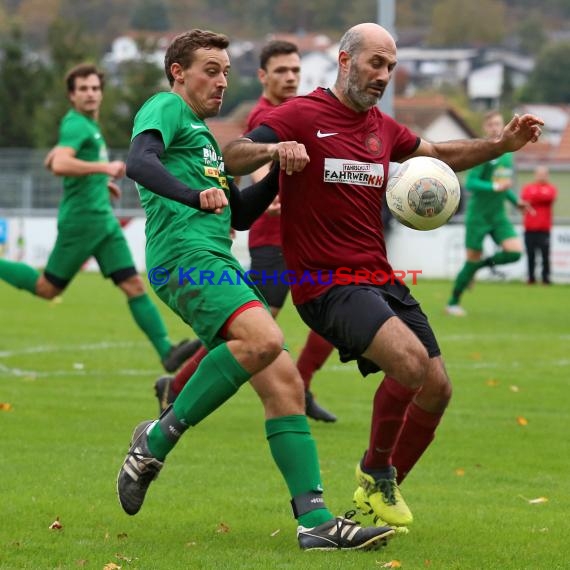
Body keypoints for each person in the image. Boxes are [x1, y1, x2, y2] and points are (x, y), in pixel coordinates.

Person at [222, 22, 543, 528]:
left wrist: (499, 145)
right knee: (411, 365)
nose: (384, 75)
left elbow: (438, 156)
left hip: (376, 276)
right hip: (324, 283)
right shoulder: (302, 114)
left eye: (391, 67)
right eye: (376, 63)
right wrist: (272, 151)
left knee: (437, 387)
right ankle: (375, 472)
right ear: (346, 61)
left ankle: (378, 483)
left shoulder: (381, 127)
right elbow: (232, 152)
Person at [115, 29, 394, 552]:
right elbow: (140, 162)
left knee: (284, 382)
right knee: (265, 339)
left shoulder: (202, 140)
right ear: (178, 72)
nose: (221, 81)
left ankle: (315, 521)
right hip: (185, 259)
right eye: (210, 70)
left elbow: (241, 213)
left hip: (218, 259)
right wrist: (193, 196)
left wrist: (280, 173)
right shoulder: (165, 106)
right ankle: (153, 441)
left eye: (225, 72)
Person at [153, 40, 337, 422]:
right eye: (281, 71)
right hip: (271, 238)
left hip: (299, 236)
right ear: (263, 76)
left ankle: (300, 385)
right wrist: (266, 183)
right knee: (253, 327)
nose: (290, 77)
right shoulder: (265, 117)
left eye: (295, 71)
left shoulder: (288, 115)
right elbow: (252, 161)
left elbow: (242, 194)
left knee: (332, 301)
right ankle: (178, 389)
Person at [0, 63, 199, 373]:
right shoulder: (77, 125)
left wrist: (98, 183)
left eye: (95, 88)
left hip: (102, 220)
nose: (91, 94)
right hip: (83, 222)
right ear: (71, 96)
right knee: (47, 288)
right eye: (83, 89)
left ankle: (167, 351)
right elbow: (63, 162)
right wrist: (104, 170)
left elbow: (54, 159)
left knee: (133, 285)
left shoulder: (88, 126)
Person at [445, 110, 530, 317]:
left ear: (503, 126)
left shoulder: (507, 155)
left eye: (497, 124)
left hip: (498, 215)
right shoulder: (483, 153)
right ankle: (453, 303)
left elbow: (503, 185)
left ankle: (478, 267)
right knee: (471, 259)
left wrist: (516, 201)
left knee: (515, 252)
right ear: (485, 128)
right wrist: (494, 187)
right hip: (478, 216)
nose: (494, 127)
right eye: (490, 124)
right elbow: (471, 182)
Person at [521, 165, 557, 285]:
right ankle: (531, 278)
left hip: (544, 229)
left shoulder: (551, 188)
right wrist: (539, 195)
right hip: (529, 228)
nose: (541, 176)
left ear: (547, 175)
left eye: (544, 174)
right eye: (539, 174)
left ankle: (546, 279)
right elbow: (525, 197)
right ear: (535, 174)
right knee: (531, 255)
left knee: (545, 256)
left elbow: (549, 197)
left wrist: (534, 197)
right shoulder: (528, 187)